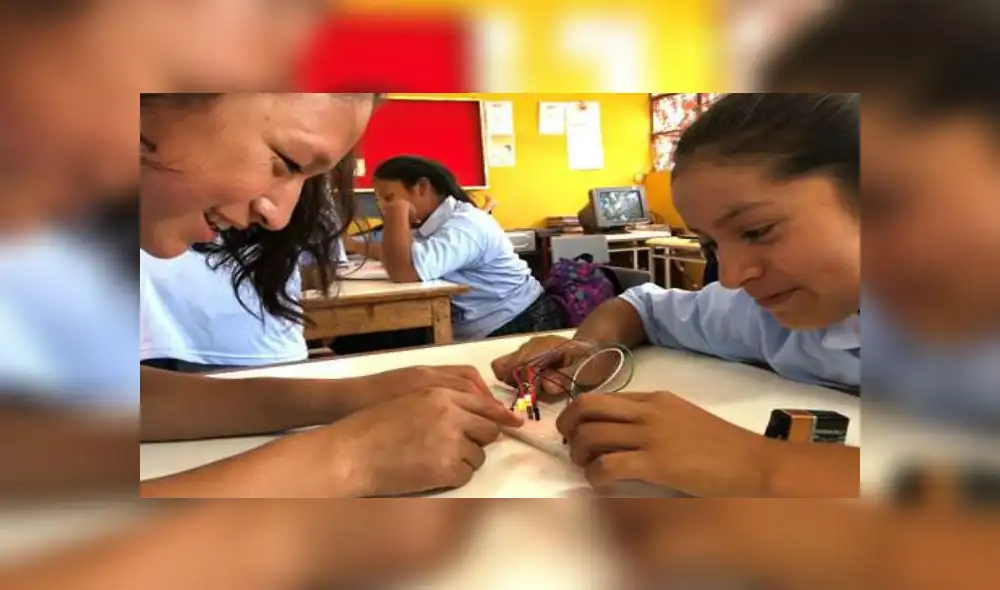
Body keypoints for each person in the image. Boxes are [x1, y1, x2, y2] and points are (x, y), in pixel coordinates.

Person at [493, 93, 861, 498]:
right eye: (711, 245)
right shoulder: (763, 314)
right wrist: (589, 349)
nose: (734, 276)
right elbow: (641, 307)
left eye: (757, 230)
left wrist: (759, 464)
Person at [139, 156, 354, 372]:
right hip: (155, 342)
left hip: (257, 347)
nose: (276, 217)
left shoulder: (308, 192)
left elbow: (322, 267)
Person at [346, 155, 566, 340]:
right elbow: (402, 255)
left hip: (517, 323)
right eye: (380, 201)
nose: (383, 207)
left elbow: (404, 271)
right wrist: (355, 245)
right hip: (484, 321)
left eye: (389, 197)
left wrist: (396, 212)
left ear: (422, 187)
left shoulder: (464, 226)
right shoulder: (433, 221)